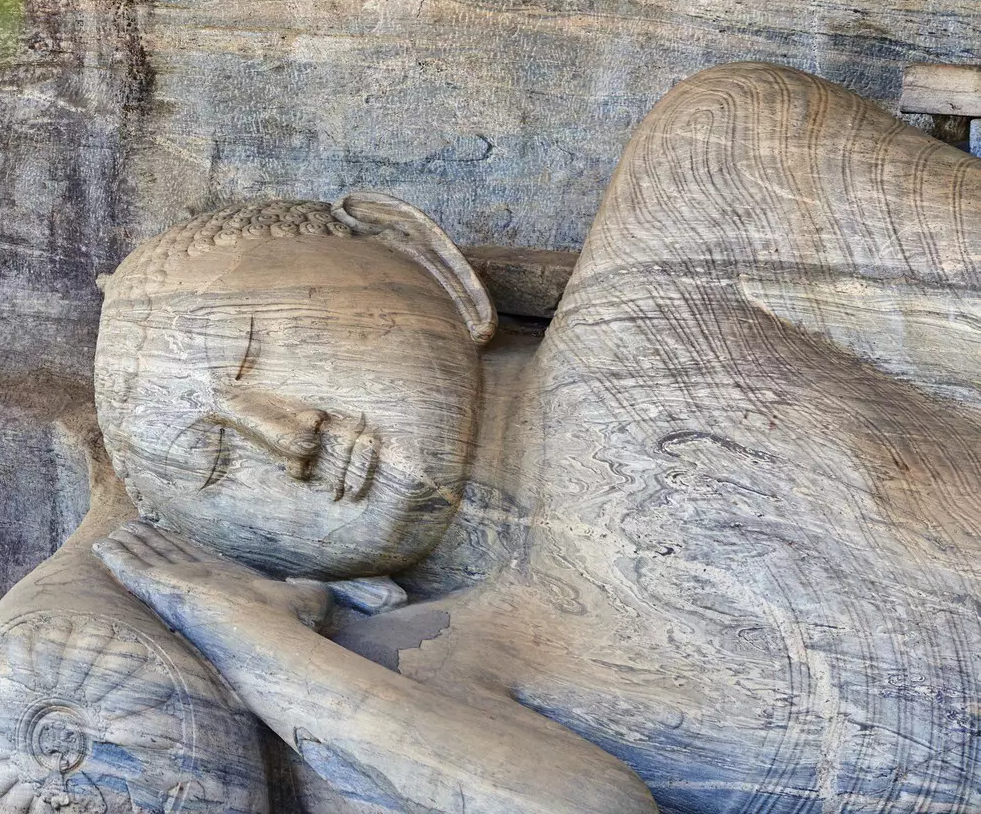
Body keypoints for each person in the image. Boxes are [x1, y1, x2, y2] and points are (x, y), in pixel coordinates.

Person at [96, 64, 981, 811]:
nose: (289, 438)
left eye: (270, 342)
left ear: (431, 262)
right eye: (216, 465)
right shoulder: (438, 660)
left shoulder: (697, 198)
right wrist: (256, 642)